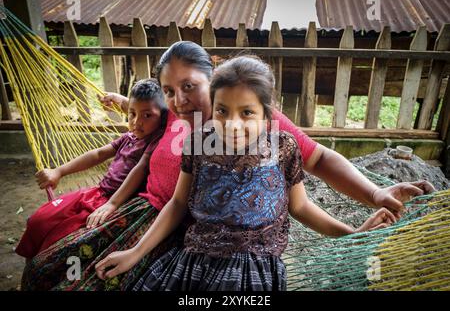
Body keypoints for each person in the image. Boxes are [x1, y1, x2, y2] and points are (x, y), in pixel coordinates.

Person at [22, 41, 433, 291]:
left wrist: (375, 195)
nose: (180, 100)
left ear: (211, 77)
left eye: (189, 87)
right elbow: (141, 140)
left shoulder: (260, 127)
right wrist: (110, 200)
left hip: (203, 245)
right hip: (146, 220)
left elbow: (317, 166)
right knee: (50, 263)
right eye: (170, 91)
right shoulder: (180, 123)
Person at [95, 56, 399, 291]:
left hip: (252, 270)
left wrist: (353, 235)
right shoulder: (198, 145)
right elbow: (177, 204)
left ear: (268, 115)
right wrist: (135, 253)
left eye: (247, 112)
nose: (232, 123)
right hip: (194, 261)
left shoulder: (283, 148)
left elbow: (301, 207)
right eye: (222, 110)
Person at [16, 79, 167, 259]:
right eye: (132, 114)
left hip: (117, 202)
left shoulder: (156, 140)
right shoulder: (129, 136)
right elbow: (98, 154)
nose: (136, 122)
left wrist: (112, 204)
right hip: (95, 193)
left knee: (60, 240)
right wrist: (59, 171)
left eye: (147, 116)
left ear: (163, 118)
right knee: (40, 220)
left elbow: (141, 169)